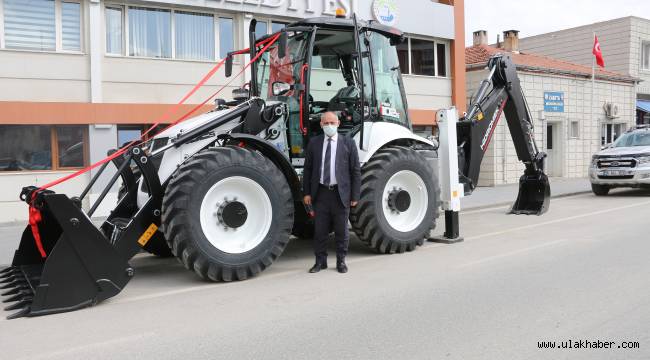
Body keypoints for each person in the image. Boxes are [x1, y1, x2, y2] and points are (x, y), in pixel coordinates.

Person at [303, 111, 361, 273]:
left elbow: (355, 170)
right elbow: (308, 170)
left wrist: (355, 195)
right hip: (320, 194)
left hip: (340, 194)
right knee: (320, 231)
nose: (329, 126)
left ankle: (341, 261)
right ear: (321, 125)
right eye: (326, 123)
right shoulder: (314, 143)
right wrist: (306, 193)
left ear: (338, 124)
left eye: (332, 123)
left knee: (342, 231)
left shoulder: (348, 143)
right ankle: (320, 262)